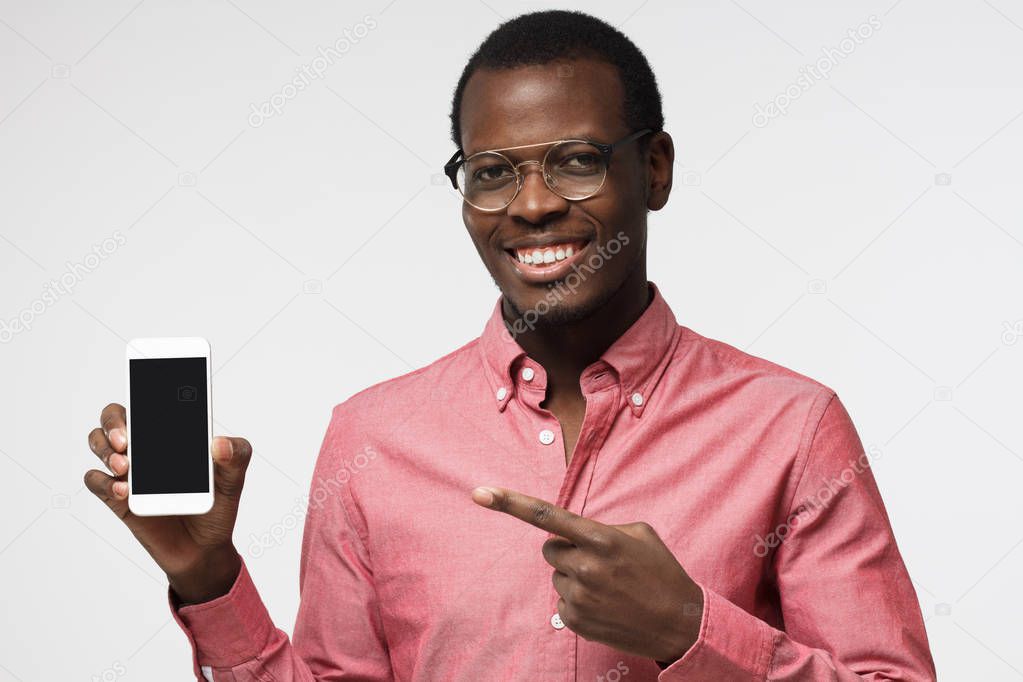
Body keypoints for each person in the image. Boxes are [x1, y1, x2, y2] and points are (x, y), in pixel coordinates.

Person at [84, 10, 936, 681]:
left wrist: (689, 632)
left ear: (656, 170)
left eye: (573, 161)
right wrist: (209, 581)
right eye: (492, 171)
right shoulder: (371, 439)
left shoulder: (790, 427)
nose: (529, 206)